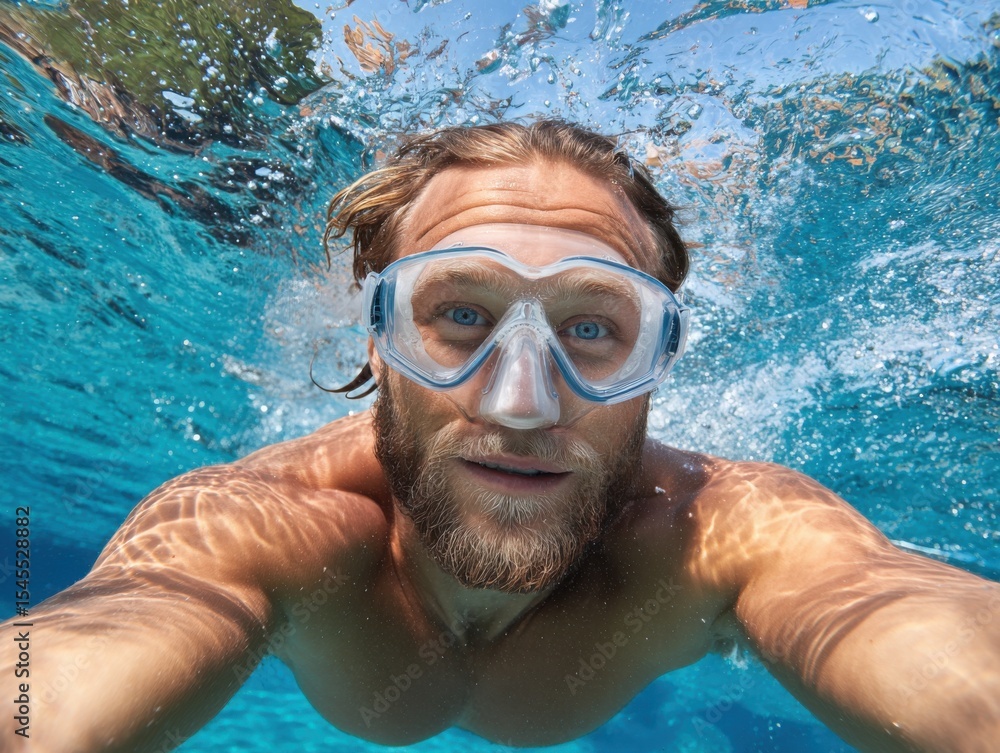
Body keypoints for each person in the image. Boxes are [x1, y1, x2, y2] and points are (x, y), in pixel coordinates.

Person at [4, 120, 998, 753]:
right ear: (380, 342)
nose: (522, 402)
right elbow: (71, 673)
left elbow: (889, 614)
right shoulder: (268, 526)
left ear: (656, 361)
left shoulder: (719, 534)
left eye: (595, 329)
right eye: (461, 316)